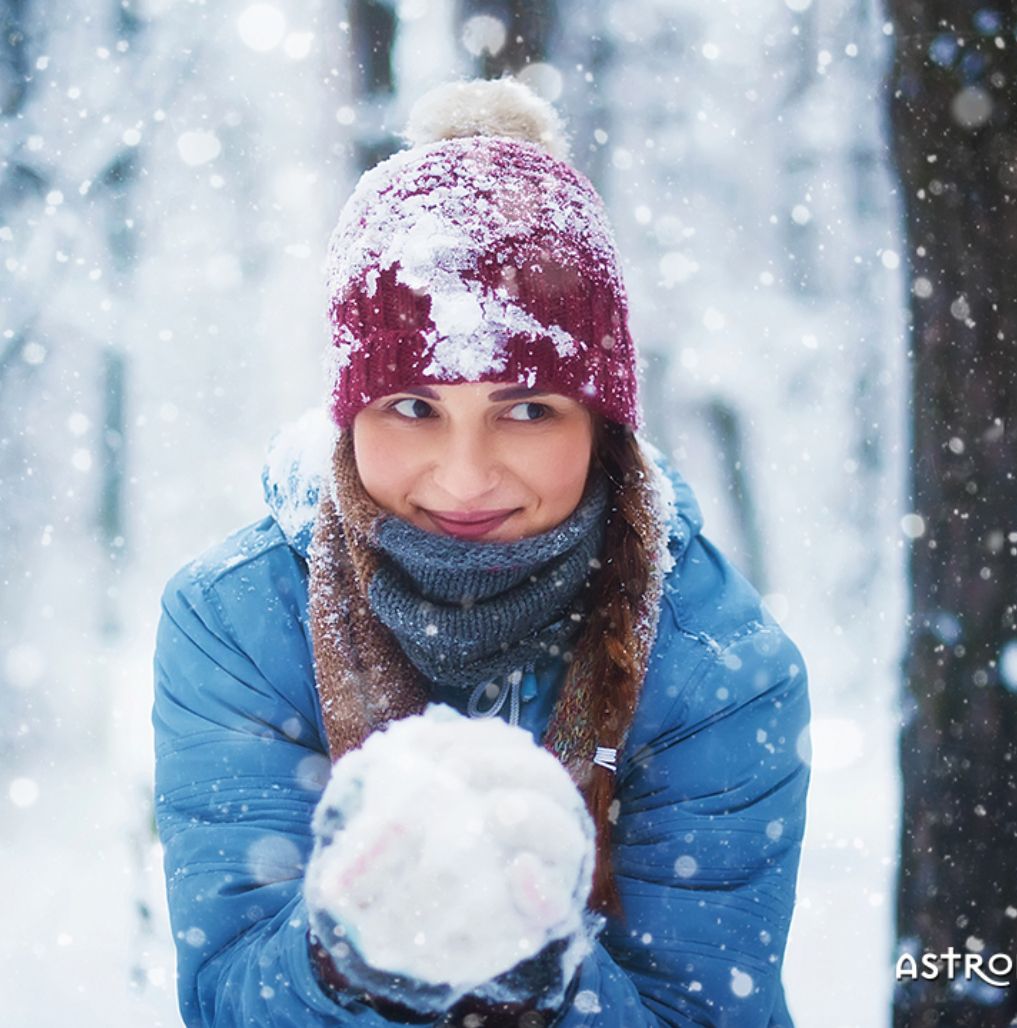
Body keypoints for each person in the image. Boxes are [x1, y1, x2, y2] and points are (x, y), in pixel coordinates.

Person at [153, 78, 812, 1027]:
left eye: (528, 409)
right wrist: (352, 961)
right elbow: (227, 997)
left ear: (604, 425)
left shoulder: (717, 664)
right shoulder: (239, 623)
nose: (464, 479)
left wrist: (533, 969)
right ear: (350, 419)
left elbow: (706, 1012)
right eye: (414, 406)